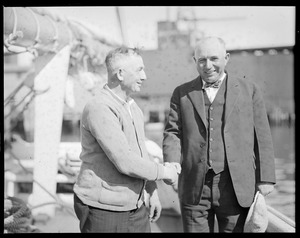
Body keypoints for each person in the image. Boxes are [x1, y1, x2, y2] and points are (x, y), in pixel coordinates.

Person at [162, 36, 276, 232]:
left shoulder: (250, 90)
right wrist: (172, 164)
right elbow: (173, 133)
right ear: (194, 61)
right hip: (193, 186)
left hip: (236, 186)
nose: (208, 66)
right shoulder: (181, 93)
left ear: (227, 58)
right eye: (202, 60)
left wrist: (265, 178)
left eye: (214, 58)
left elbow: (262, 137)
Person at [73, 46, 181, 232]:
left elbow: (140, 152)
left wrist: (152, 191)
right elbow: (125, 162)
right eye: (139, 70)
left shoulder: (132, 107)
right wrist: (166, 172)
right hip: (104, 208)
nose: (144, 76)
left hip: (134, 205)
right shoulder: (100, 107)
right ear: (121, 74)